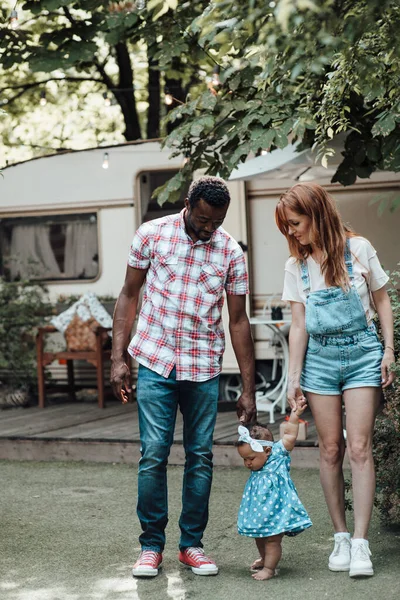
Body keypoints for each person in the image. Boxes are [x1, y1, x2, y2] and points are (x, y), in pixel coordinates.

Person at [111, 175, 256, 578]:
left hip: (204, 367)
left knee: (201, 457)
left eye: (218, 222)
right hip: (156, 360)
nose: (210, 229)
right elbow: (128, 294)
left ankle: (191, 544)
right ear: (188, 204)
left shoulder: (230, 252)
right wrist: (117, 357)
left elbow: (239, 320)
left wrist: (249, 388)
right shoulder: (152, 235)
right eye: (204, 220)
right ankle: (150, 547)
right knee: (153, 454)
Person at [275, 182, 395, 578]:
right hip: (319, 362)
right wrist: (294, 377)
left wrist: (389, 350)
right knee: (329, 450)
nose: (292, 232)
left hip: (362, 355)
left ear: (316, 213)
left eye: (295, 223)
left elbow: (381, 299)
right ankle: (340, 536)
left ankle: (361, 544)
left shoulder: (357, 249)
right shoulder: (296, 266)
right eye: (287, 227)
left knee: (358, 447)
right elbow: (298, 324)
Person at [237, 400, 312, 581]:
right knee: (259, 536)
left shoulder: (278, 454)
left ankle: (270, 569)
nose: (248, 463)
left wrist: (294, 416)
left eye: (251, 458)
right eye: (244, 459)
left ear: (268, 450)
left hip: (277, 511)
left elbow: (289, 435)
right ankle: (264, 559)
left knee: (272, 539)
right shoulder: (256, 464)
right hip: (258, 511)